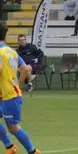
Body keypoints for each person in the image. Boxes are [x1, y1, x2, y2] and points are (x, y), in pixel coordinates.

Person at [0, 24, 41, 154]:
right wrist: (19, 84)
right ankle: (10, 147)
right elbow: (26, 68)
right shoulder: (11, 51)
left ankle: (33, 151)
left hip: (9, 95)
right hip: (6, 93)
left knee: (13, 127)